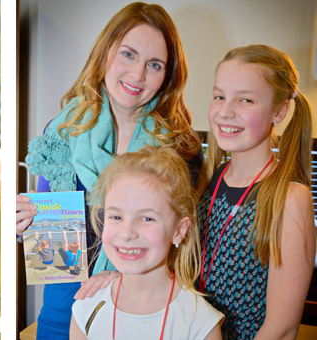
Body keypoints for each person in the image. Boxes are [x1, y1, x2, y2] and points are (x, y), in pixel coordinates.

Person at [16, 2, 203, 338]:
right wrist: (25, 222)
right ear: (105, 54)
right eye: (128, 55)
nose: (138, 74)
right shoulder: (62, 131)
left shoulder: (180, 148)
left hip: (139, 315)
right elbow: (51, 244)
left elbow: (182, 245)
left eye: (155, 64)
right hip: (63, 310)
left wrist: (122, 276)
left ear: (168, 76)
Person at [197, 44, 315, 339]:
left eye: (245, 100)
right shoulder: (206, 181)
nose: (225, 111)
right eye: (219, 96)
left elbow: (281, 328)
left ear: (280, 110)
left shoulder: (288, 199)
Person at [71, 145, 223, 339]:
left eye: (147, 218)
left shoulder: (200, 323)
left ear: (179, 230)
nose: (126, 233)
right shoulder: (86, 308)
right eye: (116, 217)